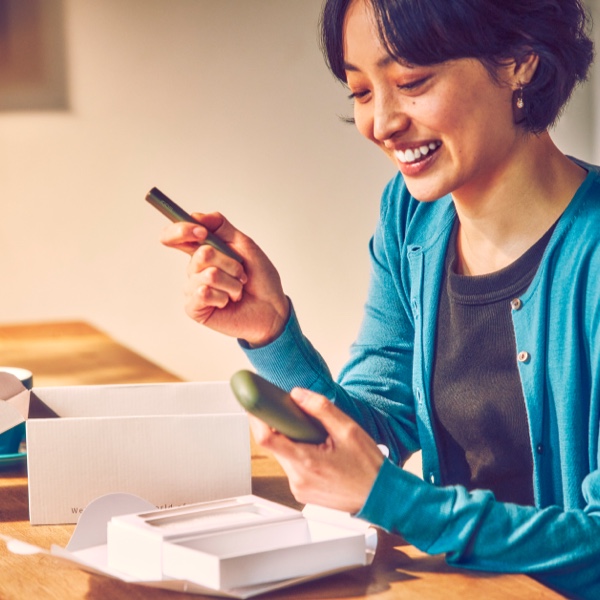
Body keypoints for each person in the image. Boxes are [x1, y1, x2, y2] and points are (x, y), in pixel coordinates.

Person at [160, 0, 599, 596]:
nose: (382, 123)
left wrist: (396, 502)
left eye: (412, 82)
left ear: (519, 61)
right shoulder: (412, 219)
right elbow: (374, 428)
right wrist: (270, 331)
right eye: (361, 92)